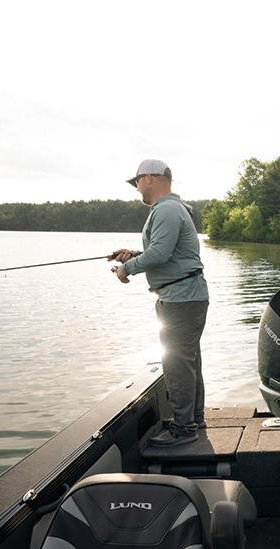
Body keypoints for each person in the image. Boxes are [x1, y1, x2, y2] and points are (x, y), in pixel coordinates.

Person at [109, 159, 209, 447]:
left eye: (137, 181)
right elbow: (165, 252)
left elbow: (161, 254)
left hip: (181, 299)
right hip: (186, 297)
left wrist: (127, 269)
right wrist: (133, 254)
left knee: (177, 364)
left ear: (150, 178)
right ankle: (194, 419)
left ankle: (183, 429)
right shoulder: (171, 209)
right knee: (188, 362)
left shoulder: (166, 209)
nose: (136, 187)